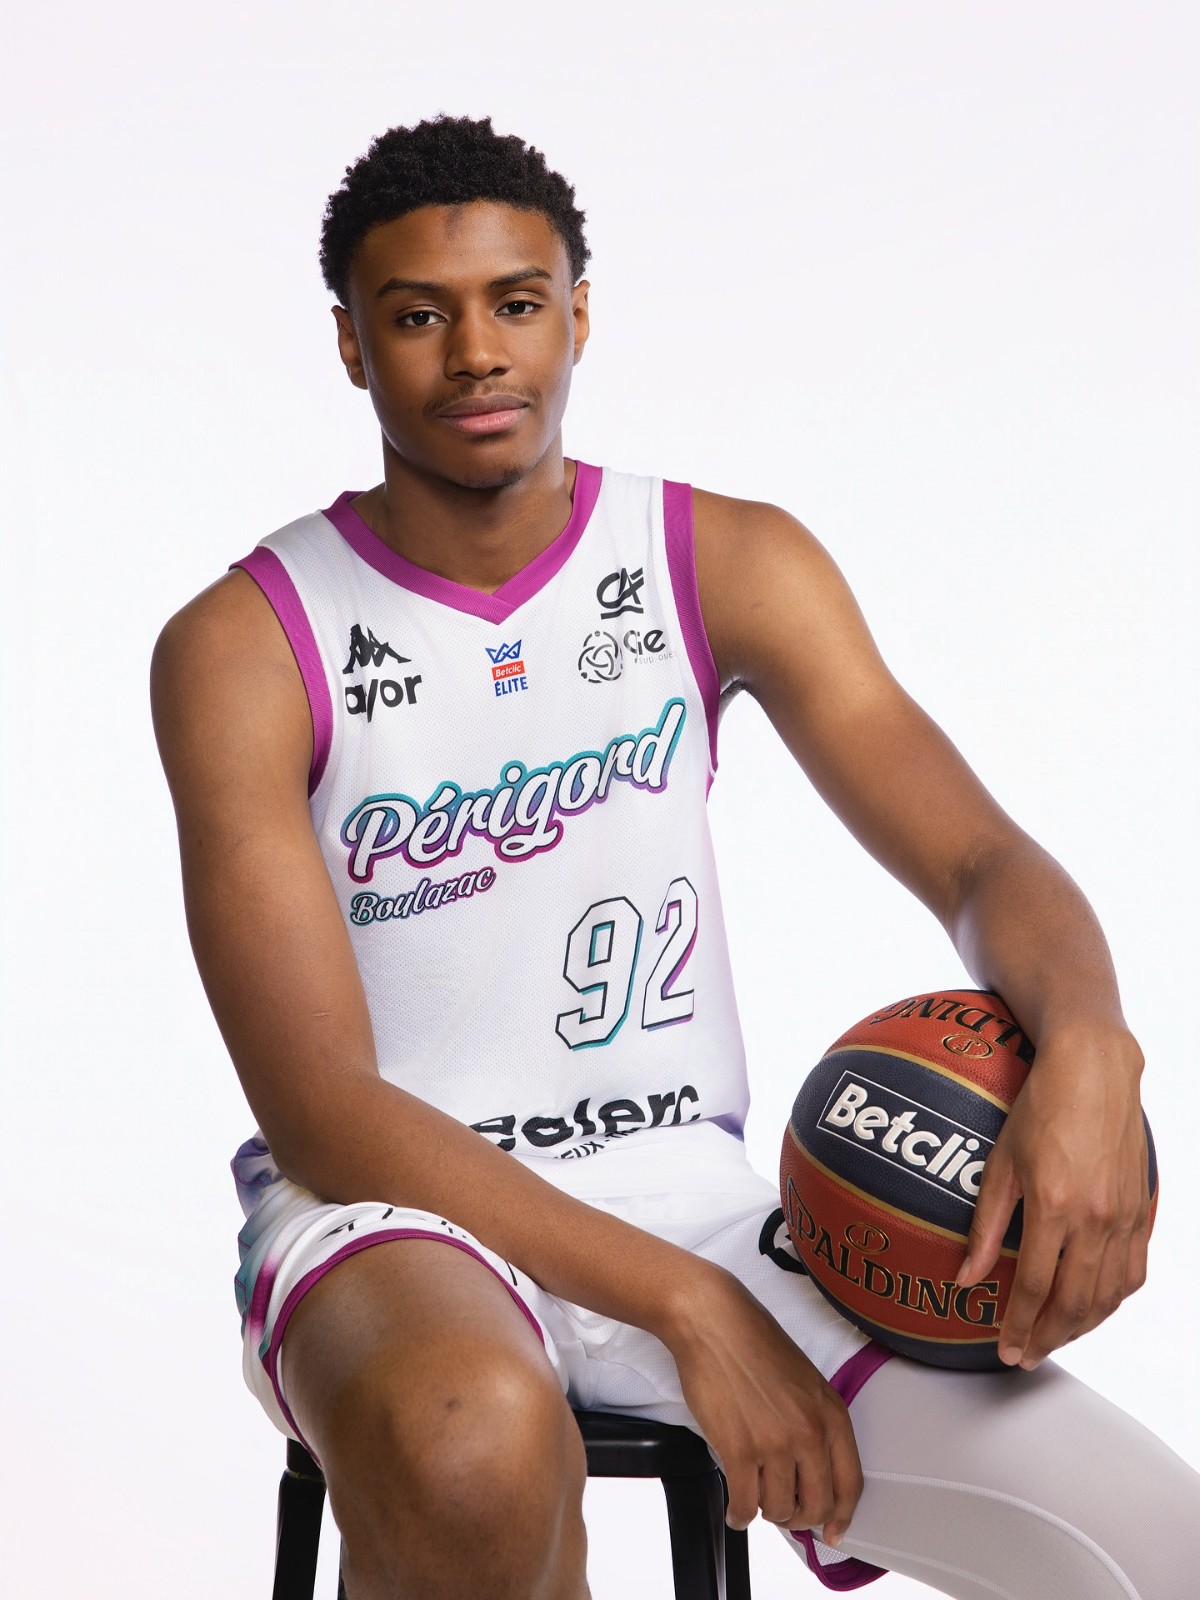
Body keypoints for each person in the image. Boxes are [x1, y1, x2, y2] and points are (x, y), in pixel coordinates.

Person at [151, 115, 1198, 1599]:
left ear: (578, 314)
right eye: (419, 316)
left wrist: (1091, 1041)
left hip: (683, 1191)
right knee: (471, 1452)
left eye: (517, 302)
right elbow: (319, 1108)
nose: (477, 354)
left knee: (1153, 1549)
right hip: (384, 1214)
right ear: (350, 343)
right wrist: (689, 1308)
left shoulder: (724, 560)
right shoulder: (246, 642)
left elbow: (976, 857)